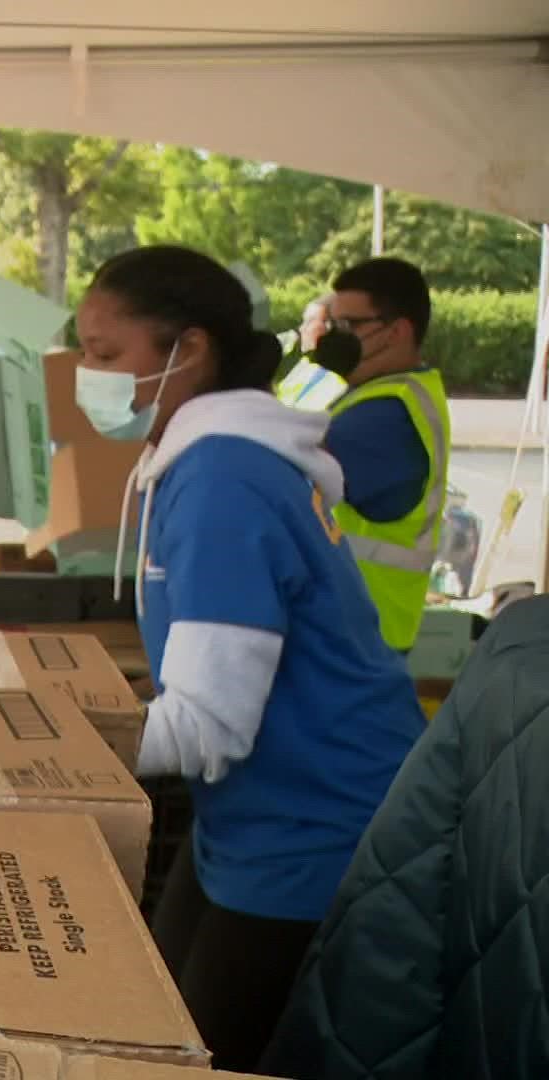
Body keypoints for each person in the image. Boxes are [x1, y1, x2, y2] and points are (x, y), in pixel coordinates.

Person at [73, 245, 424, 1070]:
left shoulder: (225, 477)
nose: (88, 376)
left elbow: (210, 725)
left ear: (187, 350)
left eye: (104, 355)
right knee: (155, 1022)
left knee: (199, 1054)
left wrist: (48, 743)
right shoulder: (203, 461)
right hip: (250, 821)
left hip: (316, 829)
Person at [322, 258, 450, 654]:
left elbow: (278, 475)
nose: (334, 338)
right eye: (331, 324)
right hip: (356, 631)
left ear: (397, 331)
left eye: (350, 326)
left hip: (356, 639)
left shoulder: (386, 416)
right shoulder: (370, 395)